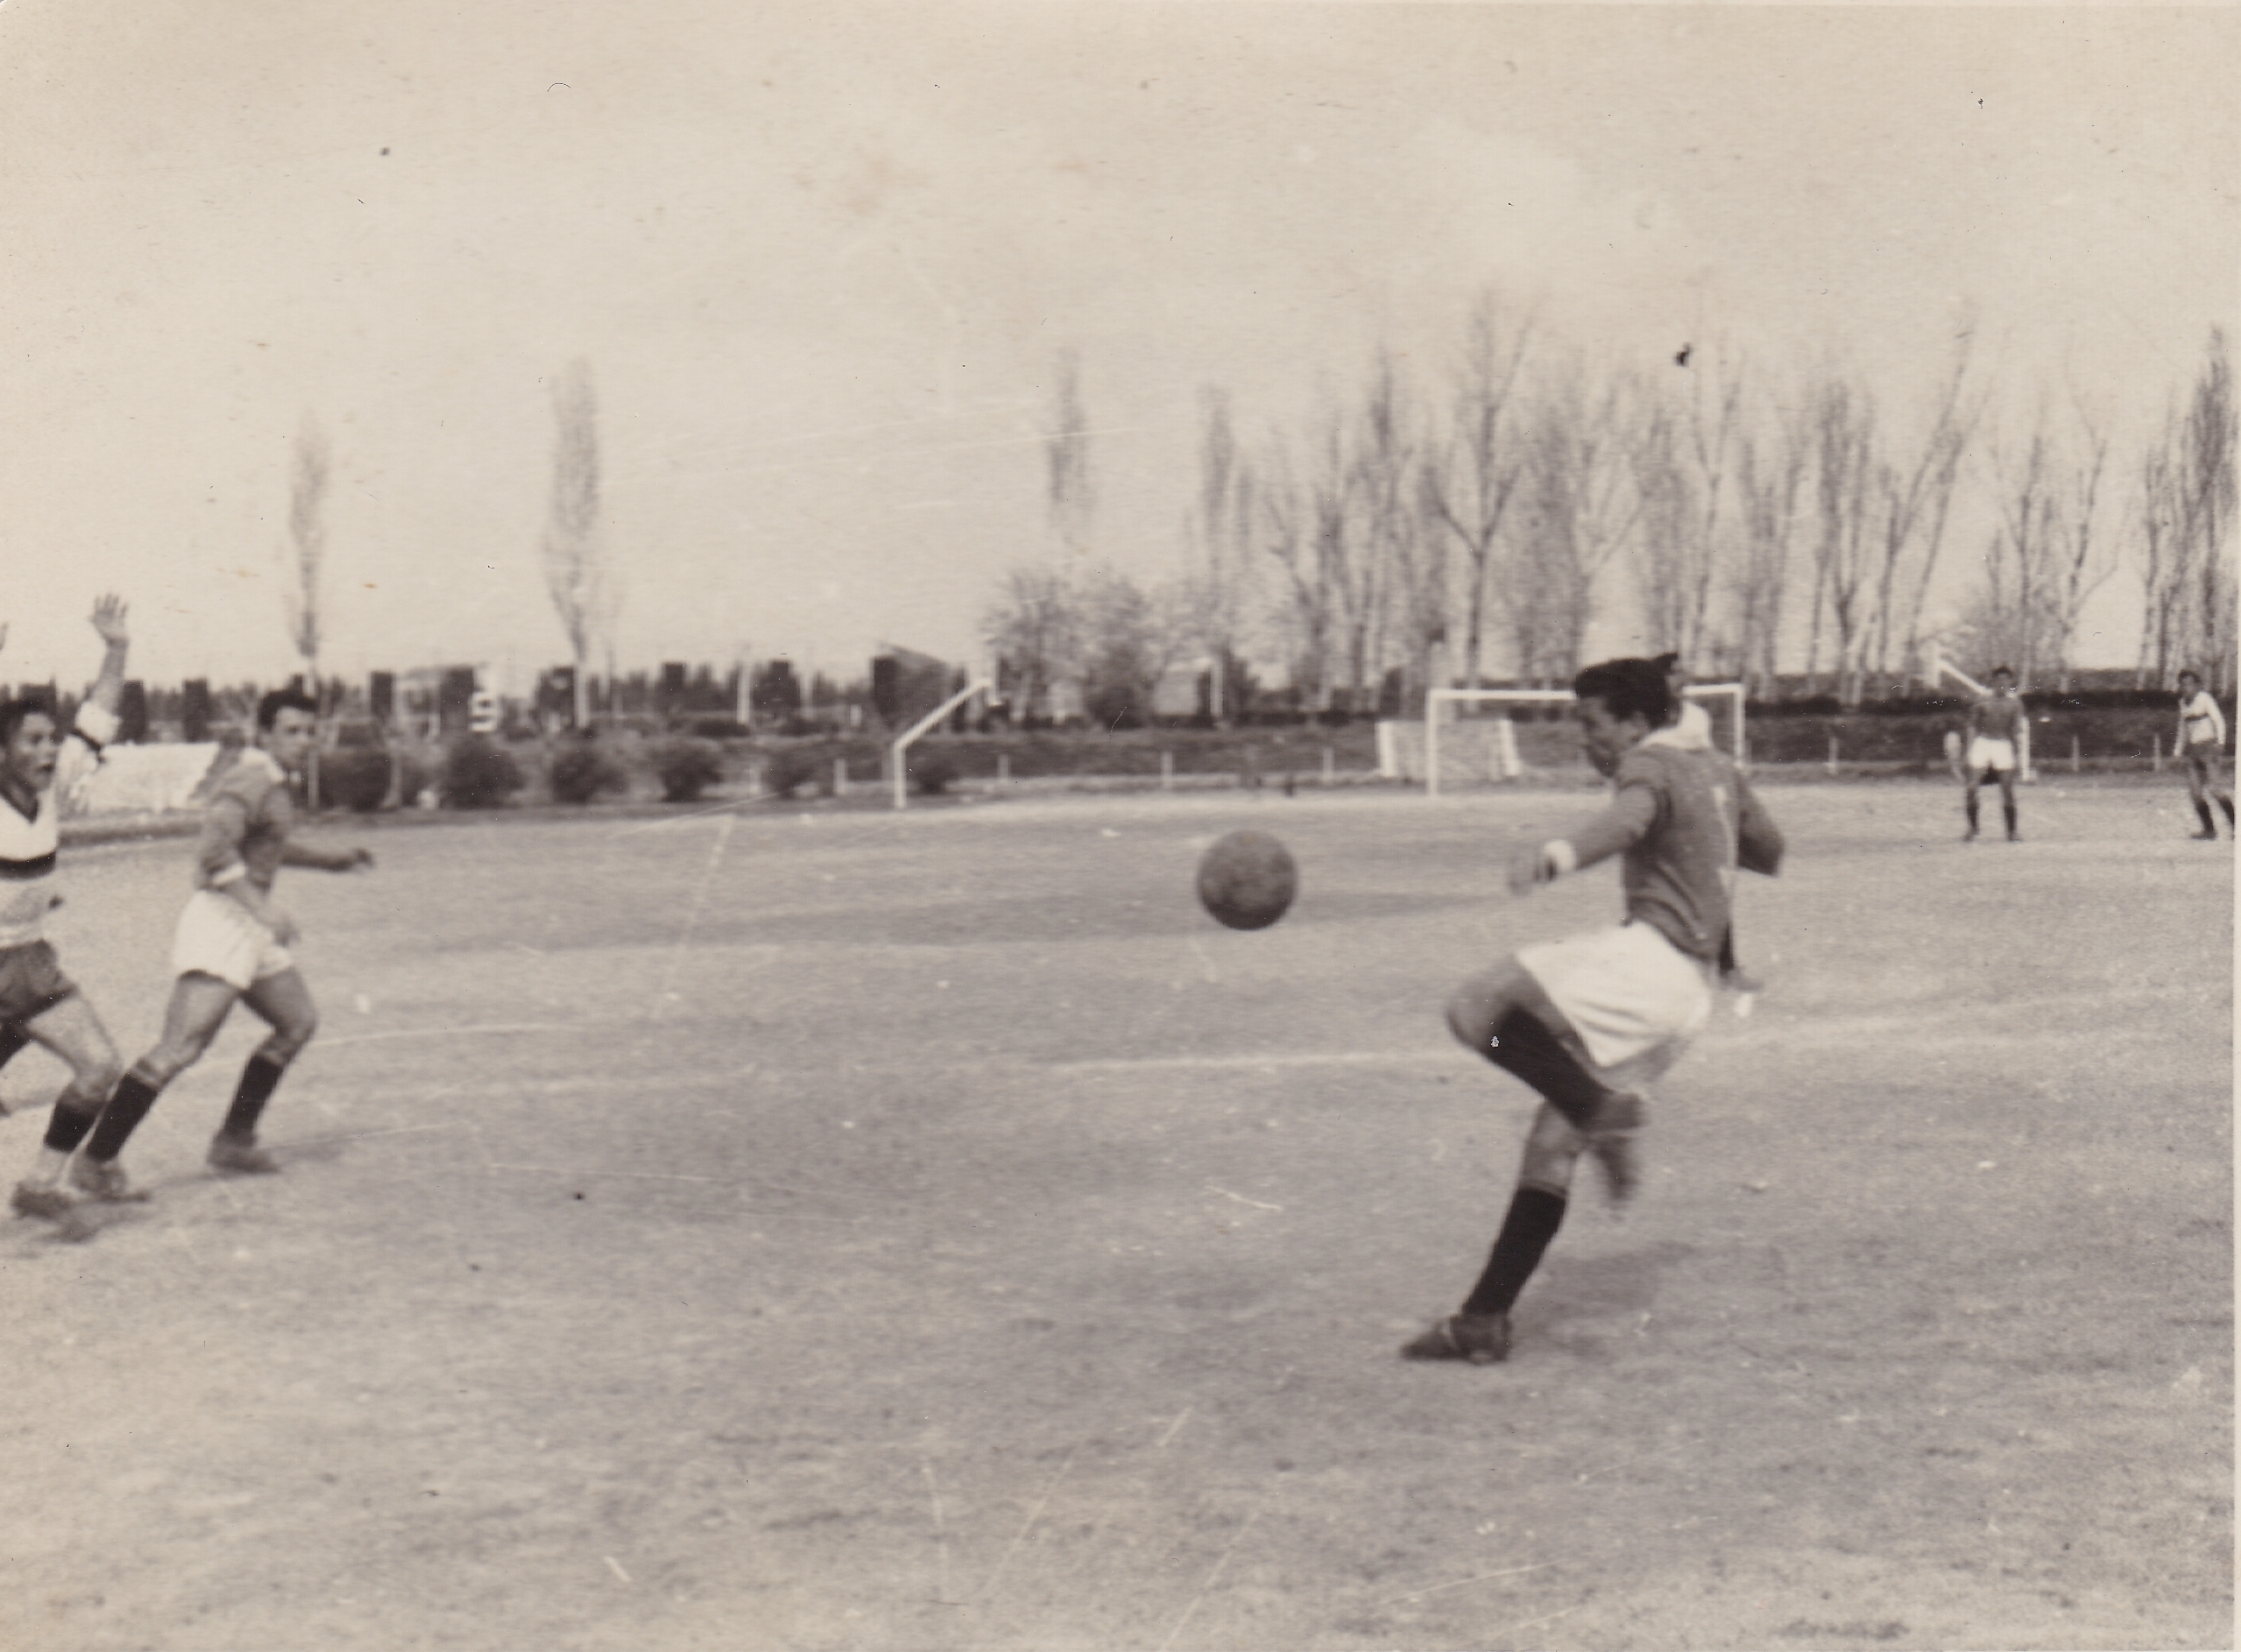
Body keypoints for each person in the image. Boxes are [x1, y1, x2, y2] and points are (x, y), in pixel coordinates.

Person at [1406, 657, 1785, 1365]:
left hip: (1651, 962)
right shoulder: (1716, 767)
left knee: (1474, 1007)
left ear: (1637, 722)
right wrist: (1714, 808)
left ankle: (1600, 1109)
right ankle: (1483, 1320)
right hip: (1688, 1000)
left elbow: (1627, 820)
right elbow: (1768, 850)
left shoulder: (1650, 763)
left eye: (1592, 723)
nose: (1586, 740)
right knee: (1552, 1139)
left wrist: (1556, 855)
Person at [74, 687, 372, 1186]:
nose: (303, 740)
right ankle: (95, 1160)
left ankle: (233, 1142)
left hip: (249, 924)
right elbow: (214, 854)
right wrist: (264, 908)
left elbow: (268, 845)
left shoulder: (274, 781)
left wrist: (332, 860)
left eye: (309, 731)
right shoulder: (248, 779)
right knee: (180, 1048)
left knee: (297, 1023)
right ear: (264, 734)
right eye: (291, 731)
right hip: (222, 922)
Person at [6, 597, 136, 1225]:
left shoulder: (52, 789)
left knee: (99, 1067)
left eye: (52, 740)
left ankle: (40, 1184)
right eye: (32, 741)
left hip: (29, 966)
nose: (49, 751)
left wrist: (116, 648)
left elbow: (99, 716)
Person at [1654, 653, 1757, 996]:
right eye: (1675, 673)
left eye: (1683, 672)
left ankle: (1728, 969)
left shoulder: (1697, 717)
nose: (1683, 678)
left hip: (1696, 813)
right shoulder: (1644, 719)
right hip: (1661, 814)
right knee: (1659, 893)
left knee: (1715, 886)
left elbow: (1709, 762)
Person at [1962, 667, 2026, 843]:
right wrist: (1969, 750)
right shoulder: (1982, 701)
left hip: (2003, 745)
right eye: (1999, 680)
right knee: (1971, 787)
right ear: (1993, 682)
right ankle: (1973, 828)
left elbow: (2016, 731)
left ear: (2010, 683)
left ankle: (2012, 831)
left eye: (2006, 680)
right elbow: (1972, 726)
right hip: (1983, 743)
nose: (2002, 684)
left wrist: (2017, 755)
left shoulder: (2015, 704)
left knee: (2007, 789)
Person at [2174, 670, 2233, 841]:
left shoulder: (2205, 699)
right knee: (2195, 793)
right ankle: (2209, 830)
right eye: (2182, 684)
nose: (2185, 688)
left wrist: (2220, 742)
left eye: (2189, 684)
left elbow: (2219, 720)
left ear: (2197, 685)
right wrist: (2177, 751)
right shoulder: (2183, 703)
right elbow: (2183, 729)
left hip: (2208, 748)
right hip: (2193, 751)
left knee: (2215, 789)